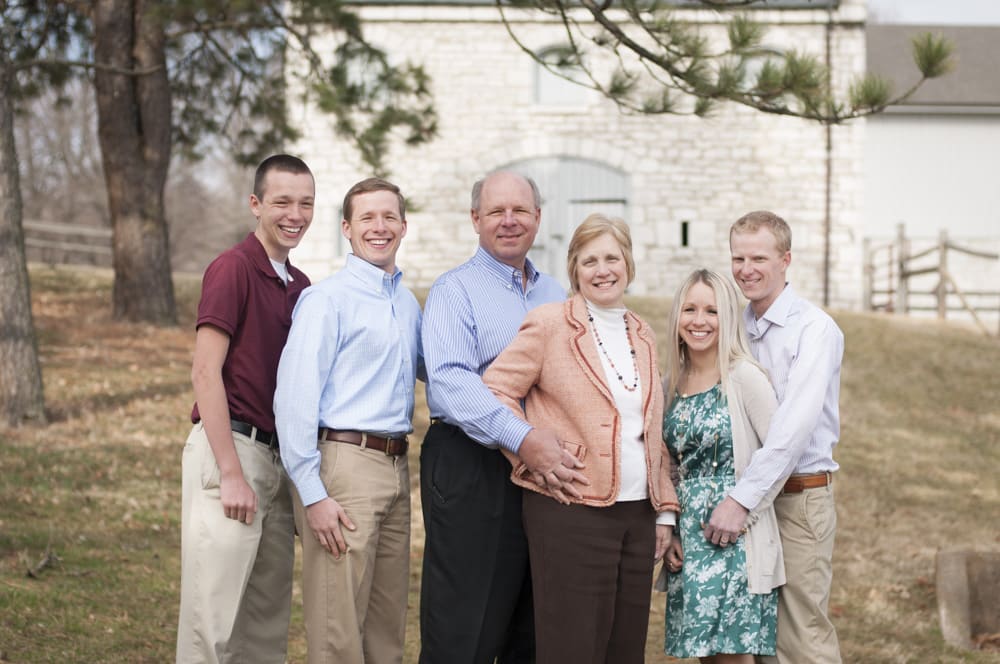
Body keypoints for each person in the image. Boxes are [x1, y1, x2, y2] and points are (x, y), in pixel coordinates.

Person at [483, 214, 680, 664]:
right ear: (574, 269)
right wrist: (530, 448)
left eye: (612, 257)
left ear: (628, 263)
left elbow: (653, 429)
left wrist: (664, 510)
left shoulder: (642, 333)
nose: (602, 269)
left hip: (637, 515)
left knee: (624, 649)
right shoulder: (550, 324)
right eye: (589, 260)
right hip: (569, 509)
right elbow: (496, 391)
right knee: (572, 648)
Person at [419, 170, 588, 663]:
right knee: (465, 625)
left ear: (538, 218)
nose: (509, 221)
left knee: (532, 623)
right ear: (476, 219)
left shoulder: (557, 292)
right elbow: (451, 381)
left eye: (520, 211)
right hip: (475, 465)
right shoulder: (454, 291)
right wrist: (521, 438)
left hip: (547, 469)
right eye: (496, 211)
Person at [273, 177, 422, 664]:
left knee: (385, 631)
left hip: (398, 470)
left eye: (389, 217)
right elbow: (294, 399)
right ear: (346, 228)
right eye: (367, 218)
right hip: (343, 469)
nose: (379, 227)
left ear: (403, 225)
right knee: (338, 633)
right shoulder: (326, 300)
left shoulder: (407, 302)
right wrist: (312, 493)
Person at [176, 154, 315, 664]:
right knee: (212, 622)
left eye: (305, 203)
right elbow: (204, 372)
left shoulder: (301, 287)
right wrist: (231, 473)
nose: (294, 214)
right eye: (281, 202)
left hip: (279, 463)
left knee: (264, 624)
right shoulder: (232, 268)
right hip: (230, 451)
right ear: (256, 204)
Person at [707, 210, 845, 664]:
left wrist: (741, 500)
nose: (747, 269)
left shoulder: (814, 330)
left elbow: (791, 431)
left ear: (786, 260)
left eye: (759, 258)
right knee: (758, 639)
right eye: (738, 258)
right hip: (747, 499)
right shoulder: (734, 327)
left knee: (800, 639)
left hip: (796, 501)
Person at [657, 269, 783, 663]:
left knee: (732, 658)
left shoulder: (745, 378)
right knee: (705, 658)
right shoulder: (669, 385)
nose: (699, 321)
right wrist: (671, 529)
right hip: (690, 543)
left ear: (727, 317)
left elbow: (777, 456)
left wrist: (742, 509)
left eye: (711, 311)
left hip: (734, 540)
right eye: (690, 309)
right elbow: (668, 467)